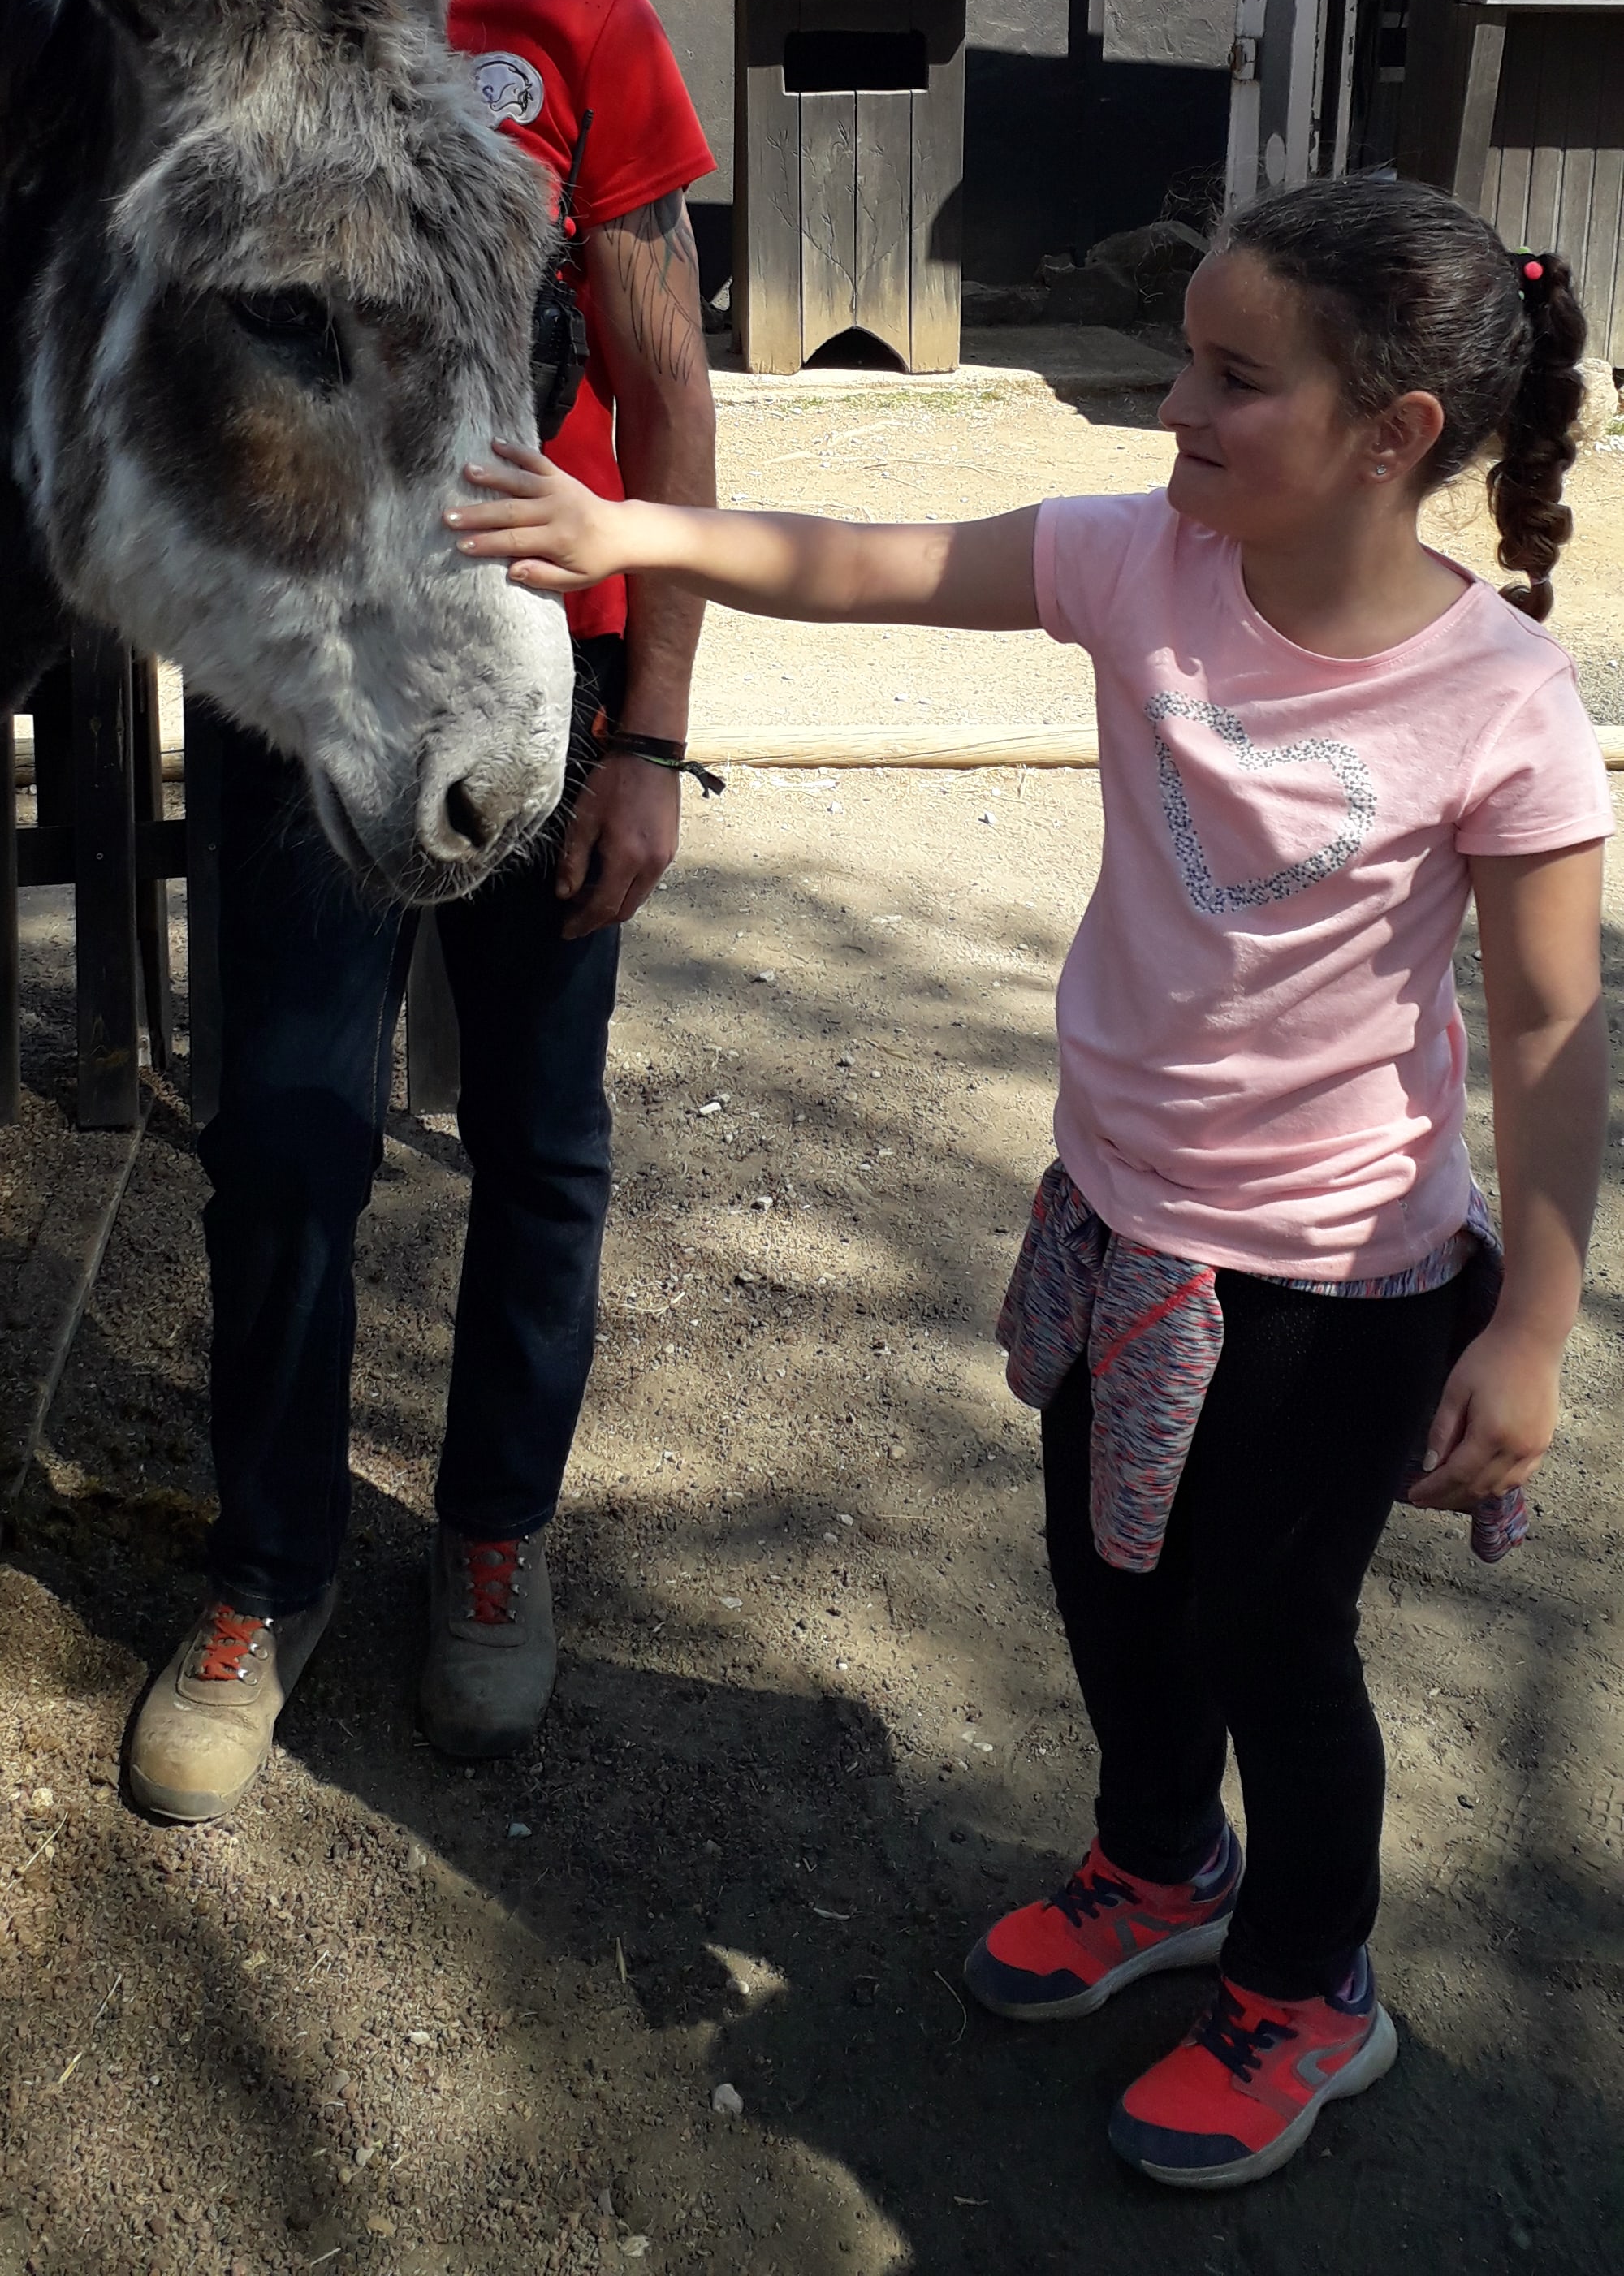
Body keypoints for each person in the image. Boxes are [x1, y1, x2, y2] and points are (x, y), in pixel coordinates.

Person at [444, 175, 1610, 2192]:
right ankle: (1160, 1864)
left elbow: (1546, 1030)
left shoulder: (1498, 703)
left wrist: (1533, 1324)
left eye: (1233, 379)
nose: (1174, 407)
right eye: (1185, 362)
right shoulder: (1139, 562)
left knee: (1271, 1641)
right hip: (1118, 1229)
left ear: (1394, 433)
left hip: (1338, 1287)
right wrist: (635, 531)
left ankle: (1309, 1987)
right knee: (1106, 1584)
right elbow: (876, 560)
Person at [131, 0, 718, 1822]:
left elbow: (667, 401)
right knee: (286, 1132)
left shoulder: (583, 24)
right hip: (303, 675)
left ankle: (492, 1540)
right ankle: (269, 1568)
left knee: (540, 1142)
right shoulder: (195, 23)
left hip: (546, 668)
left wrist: (652, 736)